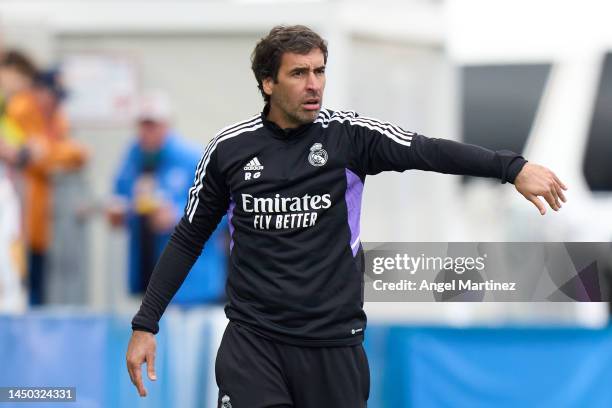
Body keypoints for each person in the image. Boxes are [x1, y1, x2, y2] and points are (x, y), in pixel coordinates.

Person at [126, 25, 567, 407]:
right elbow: (188, 237)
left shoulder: (350, 137)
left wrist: (512, 168)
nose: (314, 83)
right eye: (299, 73)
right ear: (267, 83)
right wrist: (146, 323)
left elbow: (427, 150)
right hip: (254, 343)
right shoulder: (229, 149)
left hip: (333, 345)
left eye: (319, 71)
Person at [109, 91, 227, 304]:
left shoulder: (192, 158)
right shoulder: (133, 157)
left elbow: (223, 211)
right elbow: (121, 197)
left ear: (167, 125)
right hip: (149, 274)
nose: (147, 132)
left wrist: (176, 216)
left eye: (153, 125)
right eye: (142, 125)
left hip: (192, 281)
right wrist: (122, 213)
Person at [0, 51, 88, 305]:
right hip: (18, 218)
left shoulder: (53, 117)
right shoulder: (22, 110)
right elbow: (36, 156)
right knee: (17, 290)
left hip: (40, 223)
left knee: (36, 292)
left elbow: (62, 151)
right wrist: (62, 152)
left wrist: (59, 152)